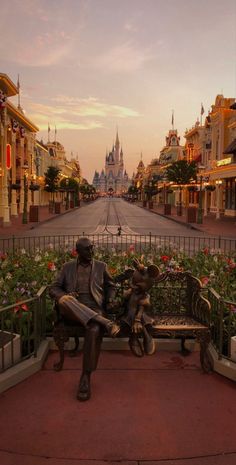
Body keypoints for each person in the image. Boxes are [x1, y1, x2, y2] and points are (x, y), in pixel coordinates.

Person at [49, 237, 120, 401]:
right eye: (87, 249)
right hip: (72, 310)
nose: (91, 252)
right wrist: (64, 296)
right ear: (78, 251)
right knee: (68, 302)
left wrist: (110, 299)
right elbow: (54, 287)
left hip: (93, 308)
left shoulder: (101, 266)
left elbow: (111, 286)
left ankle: (86, 376)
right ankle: (106, 323)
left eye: (92, 248)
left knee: (94, 329)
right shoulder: (67, 267)